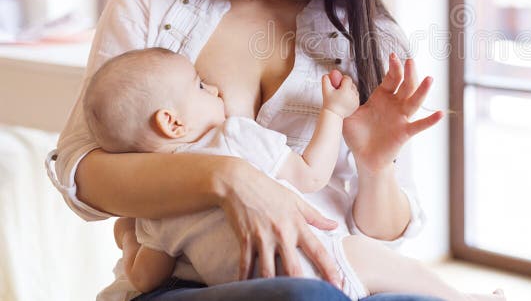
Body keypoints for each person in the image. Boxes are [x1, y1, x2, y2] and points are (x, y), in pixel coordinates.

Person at [46, 0, 446, 301]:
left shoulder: (370, 37)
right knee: (305, 298)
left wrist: (375, 166)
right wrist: (227, 176)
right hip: (193, 280)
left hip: (338, 268)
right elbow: (82, 174)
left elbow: (381, 240)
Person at [84, 48, 501, 301]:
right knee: (386, 265)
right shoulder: (233, 136)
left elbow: (144, 277)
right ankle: (462, 297)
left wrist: (127, 235)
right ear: (171, 123)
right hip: (316, 262)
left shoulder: (156, 205)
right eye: (199, 87)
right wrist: (333, 114)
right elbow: (310, 175)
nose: (212, 89)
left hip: (251, 288)